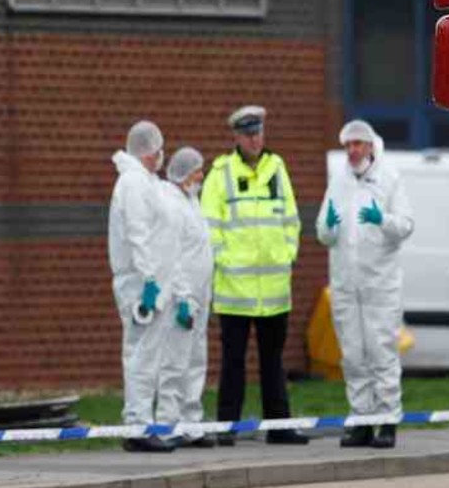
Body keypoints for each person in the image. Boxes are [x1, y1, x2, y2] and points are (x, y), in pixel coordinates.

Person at [201, 105, 307, 446]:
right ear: (236, 137)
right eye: (248, 134)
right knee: (233, 363)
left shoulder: (277, 168)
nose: (254, 140)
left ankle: (279, 427)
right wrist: (224, 260)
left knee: (273, 362)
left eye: (258, 133)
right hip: (235, 288)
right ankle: (226, 428)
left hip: (274, 288)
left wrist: (288, 253)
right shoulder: (221, 172)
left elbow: (290, 219)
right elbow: (209, 226)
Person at [315, 120, 414, 449]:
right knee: (353, 356)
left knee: (381, 353)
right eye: (348, 145)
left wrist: (381, 219)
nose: (353, 150)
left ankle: (387, 420)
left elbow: (406, 225)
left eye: (358, 144)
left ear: (370, 146)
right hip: (346, 285)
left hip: (380, 285)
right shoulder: (339, 180)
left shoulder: (389, 178)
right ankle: (361, 420)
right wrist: (328, 227)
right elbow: (323, 232)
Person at [108, 120, 177, 453]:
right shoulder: (134, 183)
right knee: (141, 356)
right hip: (140, 283)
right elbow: (139, 235)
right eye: (159, 149)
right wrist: (150, 280)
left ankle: (140, 421)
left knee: (144, 355)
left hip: (146, 281)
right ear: (150, 152)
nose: (163, 155)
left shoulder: (142, 181)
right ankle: (137, 424)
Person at [157, 146, 215, 449]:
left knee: (195, 360)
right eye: (197, 171)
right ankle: (167, 424)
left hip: (200, 294)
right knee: (174, 362)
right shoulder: (171, 205)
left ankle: (191, 423)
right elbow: (172, 257)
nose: (201, 176)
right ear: (183, 174)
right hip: (181, 297)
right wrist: (181, 298)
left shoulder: (192, 201)